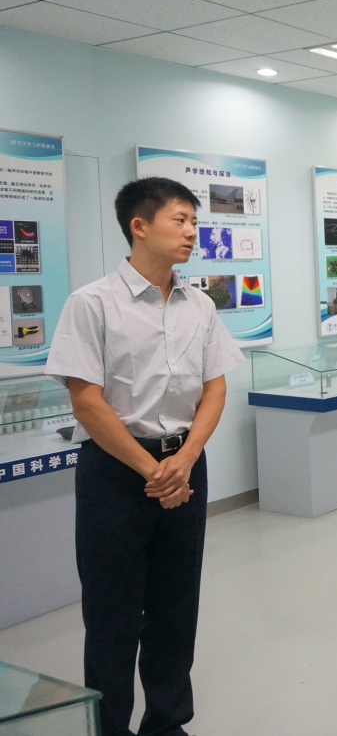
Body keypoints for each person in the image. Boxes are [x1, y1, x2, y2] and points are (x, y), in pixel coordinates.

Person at [45, 177, 244, 736]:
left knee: (176, 605)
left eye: (194, 222)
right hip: (115, 472)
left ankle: (167, 722)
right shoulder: (92, 303)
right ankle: (110, 727)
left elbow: (215, 388)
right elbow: (86, 400)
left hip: (185, 467)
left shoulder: (199, 304)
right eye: (180, 220)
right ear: (139, 225)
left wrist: (185, 459)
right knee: (111, 612)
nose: (192, 232)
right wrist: (153, 469)